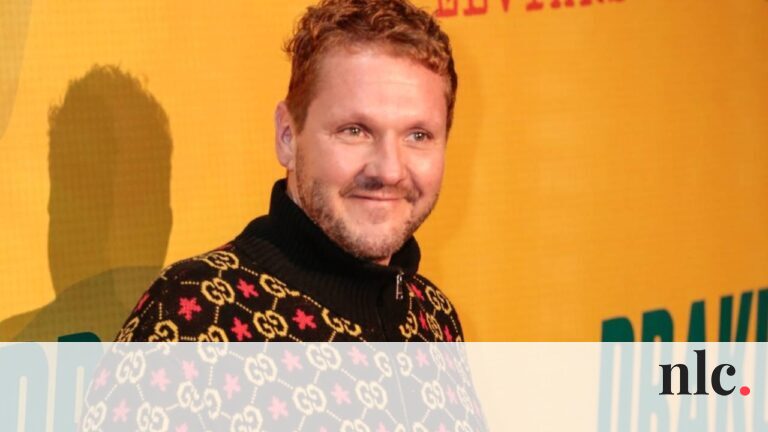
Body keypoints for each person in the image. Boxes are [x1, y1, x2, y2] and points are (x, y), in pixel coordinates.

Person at [116, 0, 463, 342]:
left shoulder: (434, 316)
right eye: (355, 130)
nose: (389, 171)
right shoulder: (193, 315)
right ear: (287, 137)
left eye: (418, 135)